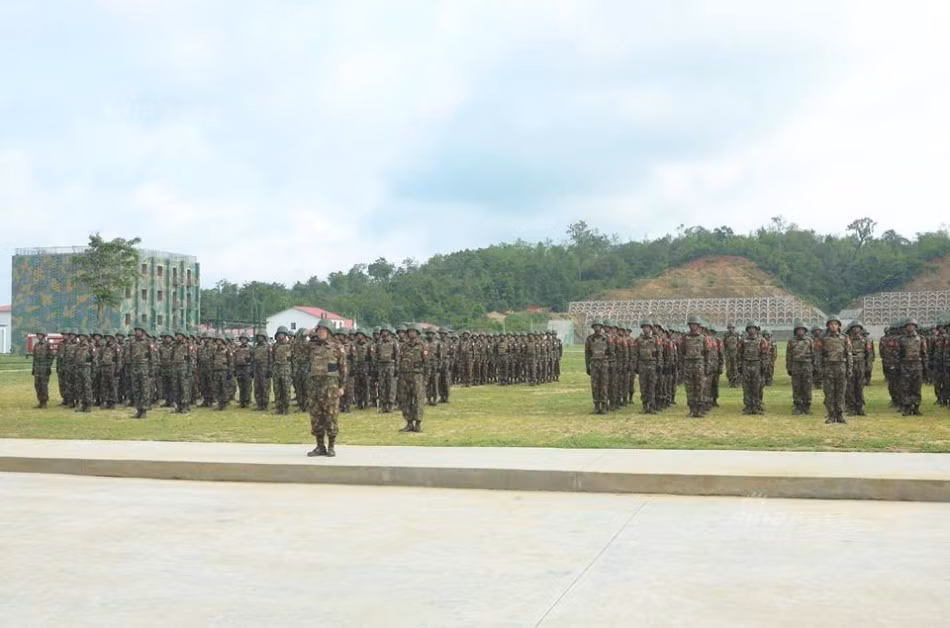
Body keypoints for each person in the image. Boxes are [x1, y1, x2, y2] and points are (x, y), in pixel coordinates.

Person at [306, 319, 347, 457]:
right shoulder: (311, 346)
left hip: (331, 386)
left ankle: (331, 446)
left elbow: (343, 368)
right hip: (314, 386)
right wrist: (304, 334)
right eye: (318, 330)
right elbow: (295, 348)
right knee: (316, 417)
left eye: (323, 330)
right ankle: (319, 446)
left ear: (329, 332)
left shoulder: (337, 347)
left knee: (331, 416)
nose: (320, 333)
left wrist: (342, 386)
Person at [816, 314, 852, 424]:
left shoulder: (845, 338)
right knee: (829, 392)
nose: (833, 326)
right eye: (831, 324)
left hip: (841, 366)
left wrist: (849, 368)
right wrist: (819, 369)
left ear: (839, 326)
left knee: (841, 392)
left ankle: (840, 414)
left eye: (835, 324)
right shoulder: (823, 339)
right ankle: (831, 414)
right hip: (828, 367)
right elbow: (818, 355)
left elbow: (849, 354)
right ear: (828, 326)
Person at [398, 323, 428, 432]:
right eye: (409, 331)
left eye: (413, 331)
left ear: (417, 333)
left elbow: (426, 363)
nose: (411, 333)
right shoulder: (404, 346)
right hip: (405, 375)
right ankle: (409, 422)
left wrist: (426, 379)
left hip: (417, 376)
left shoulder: (422, 345)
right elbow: (400, 360)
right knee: (406, 399)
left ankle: (418, 423)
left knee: (418, 400)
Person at [898, 318, 928, 416]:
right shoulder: (901, 339)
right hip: (905, 365)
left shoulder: (921, 339)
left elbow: (924, 353)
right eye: (908, 325)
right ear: (905, 327)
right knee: (905, 387)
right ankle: (907, 407)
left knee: (916, 387)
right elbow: (899, 354)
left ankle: (916, 407)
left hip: (917, 365)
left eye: (912, 325)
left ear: (915, 327)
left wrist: (925, 366)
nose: (910, 327)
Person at [786, 320, 816, 415]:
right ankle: (798, 405)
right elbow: (789, 355)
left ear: (805, 331)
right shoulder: (791, 341)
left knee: (807, 386)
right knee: (796, 386)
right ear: (795, 331)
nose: (800, 332)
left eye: (802, 330)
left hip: (807, 365)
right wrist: (789, 367)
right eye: (798, 330)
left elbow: (814, 354)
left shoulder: (810, 341)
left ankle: (806, 405)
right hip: (796, 365)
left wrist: (814, 367)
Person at [737, 321, 766, 415]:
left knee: (757, 386)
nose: (751, 330)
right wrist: (740, 365)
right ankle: (748, 406)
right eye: (749, 328)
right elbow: (739, 353)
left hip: (757, 364)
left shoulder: (761, 340)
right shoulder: (743, 340)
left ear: (756, 329)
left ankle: (757, 406)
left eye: (753, 328)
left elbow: (765, 355)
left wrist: (763, 366)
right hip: (746, 364)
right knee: (746, 386)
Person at [584, 320, 611, 414]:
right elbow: (587, 353)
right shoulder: (589, 339)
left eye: (598, 326)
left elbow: (611, 352)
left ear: (601, 327)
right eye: (595, 326)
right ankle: (596, 405)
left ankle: (604, 405)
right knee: (595, 386)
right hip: (594, 364)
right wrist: (587, 366)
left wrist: (609, 365)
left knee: (604, 385)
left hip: (604, 363)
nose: (596, 328)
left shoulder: (607, 338)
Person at [31, 331, 53, 409]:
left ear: (43, 336)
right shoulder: (36, 345)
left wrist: (48, 366)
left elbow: (51, 356)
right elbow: (34, 358)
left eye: (40, 335)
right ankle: (40, 401)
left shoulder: (48, 344)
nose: (39, 336)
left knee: (44, 385)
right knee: (37, 385)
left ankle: (44, 402)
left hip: (44, 368)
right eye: (38, 335)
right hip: (37, 368)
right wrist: (33, 368)